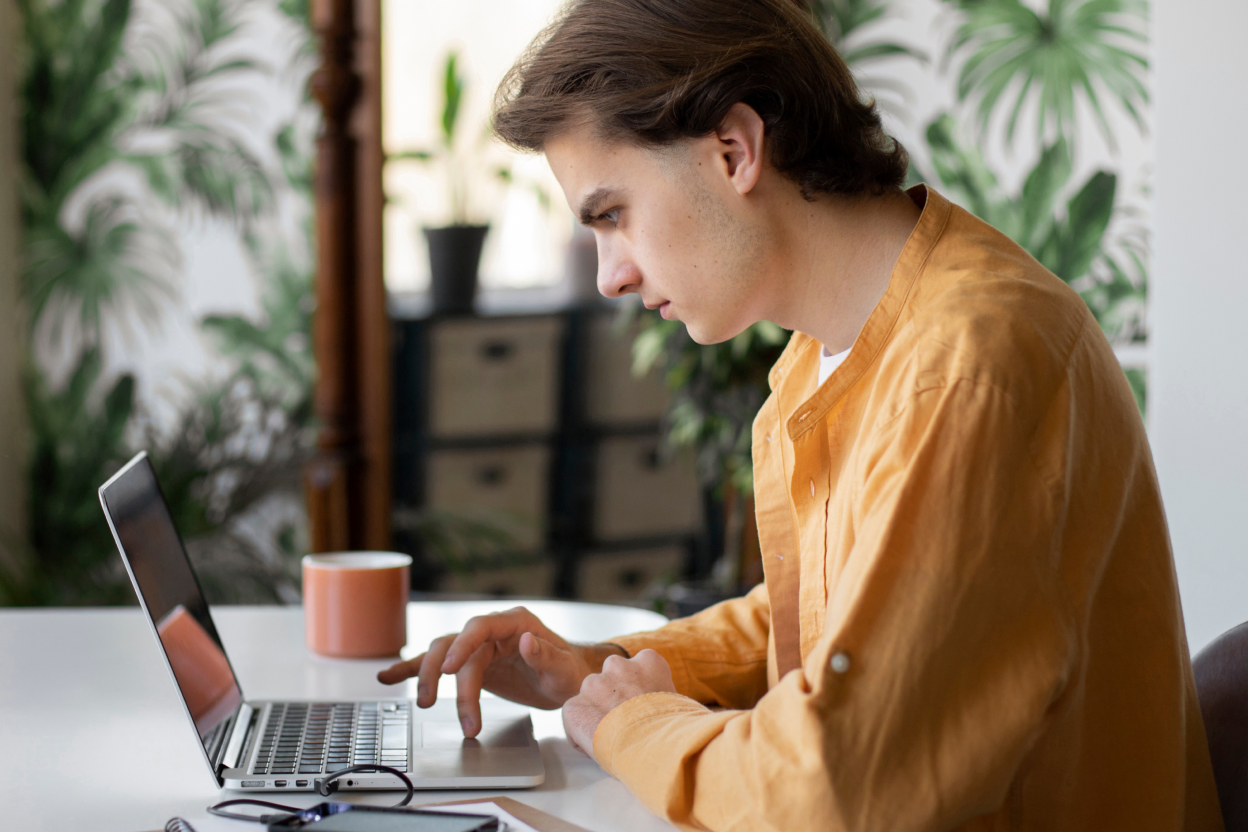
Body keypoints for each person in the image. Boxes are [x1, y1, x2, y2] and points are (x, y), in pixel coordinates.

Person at [380, 0, 1224, 828]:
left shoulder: (966, 367)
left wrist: (631, 722)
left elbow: (840, 785)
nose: (610, 277)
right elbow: (845, 622)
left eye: (613, 214)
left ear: (733, 150)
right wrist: (597, 671)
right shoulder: (835, 353)